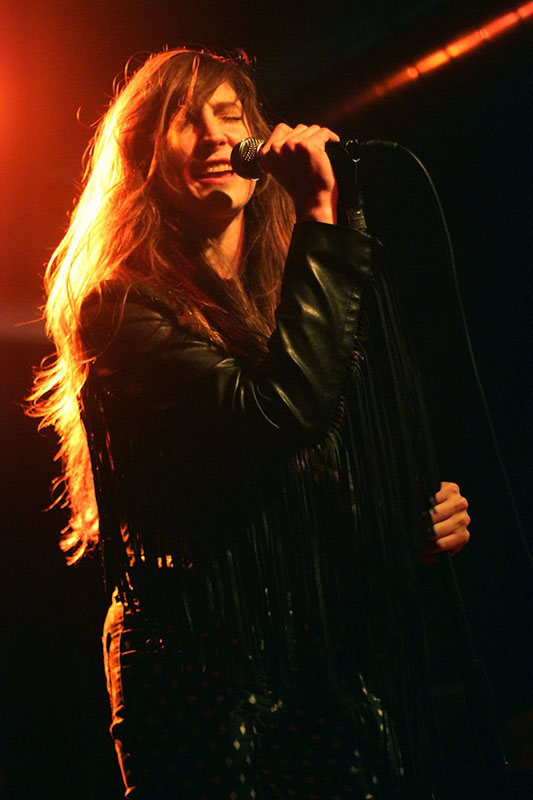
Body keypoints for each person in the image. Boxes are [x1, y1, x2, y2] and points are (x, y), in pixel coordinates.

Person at [29, 48, 470, 799]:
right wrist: (326, 221)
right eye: (182, 120)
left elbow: (302, 479)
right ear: (140, 153)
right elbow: (277, 416)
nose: (213, 138)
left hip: (323, 666)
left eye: (230, 117)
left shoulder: (290, 293)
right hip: (203, 676)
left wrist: (406, 527)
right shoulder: (116, 308)